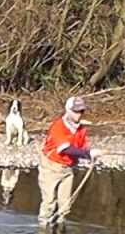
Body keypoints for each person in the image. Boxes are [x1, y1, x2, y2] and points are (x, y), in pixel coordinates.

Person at [37, 96, 100, 227]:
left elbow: (82, 148)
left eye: (81, 111)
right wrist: (88, 154)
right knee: (49, 202)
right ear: (68, 110)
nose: (79, 114)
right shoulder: (58, 126)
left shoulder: (81, 129)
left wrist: (90, 155)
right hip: (51, 167)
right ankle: (43, 229)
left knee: (65, 205)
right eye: (76, 111)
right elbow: (65, 149)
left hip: (68, 168)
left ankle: (60, 229)